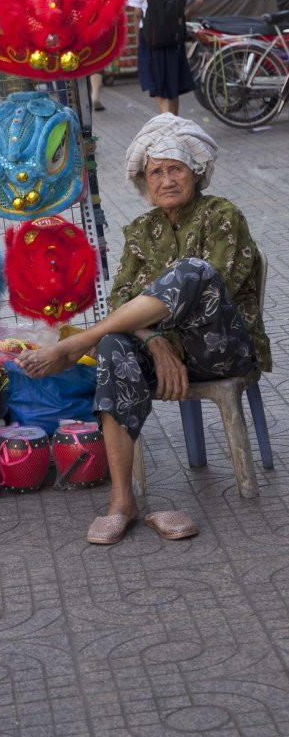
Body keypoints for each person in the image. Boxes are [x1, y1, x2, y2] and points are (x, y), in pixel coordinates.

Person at [15, 115, 271, 545]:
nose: (166, 180)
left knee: (193, 271)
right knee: (116, 342)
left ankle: (81, 340)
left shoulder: (222, 214)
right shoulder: (141, 232)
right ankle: (122, 502)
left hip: (222, 347)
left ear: (196, 173)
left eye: (177, 169)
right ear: (144, 180)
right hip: (164, 354)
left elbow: (214, 289)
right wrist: (153, 341)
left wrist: (153, 332)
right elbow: (121, 302)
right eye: (156, 171)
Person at [128, 0, 203, 116]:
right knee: (172, 86)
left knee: (157, 84)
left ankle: (166, 119)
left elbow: (137, 13)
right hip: (173, 38)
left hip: (150, 38)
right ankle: (174, 121)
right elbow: (199, 0)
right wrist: (182, 16)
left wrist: (138, 37)